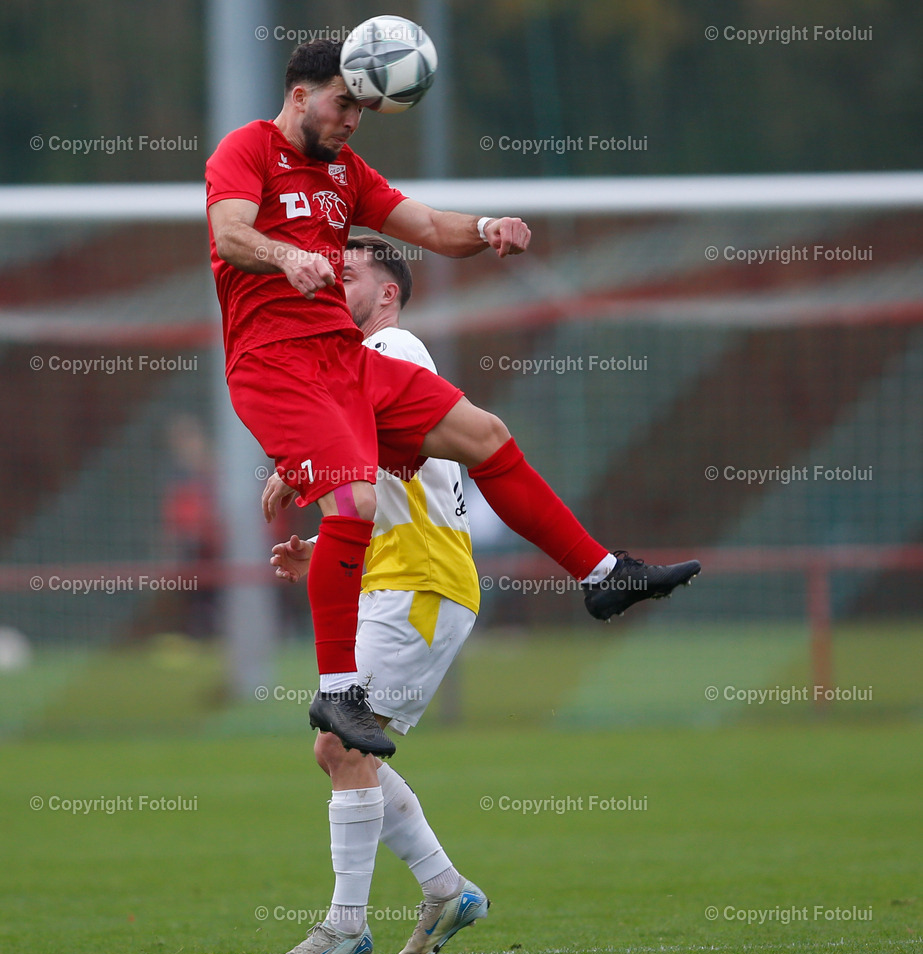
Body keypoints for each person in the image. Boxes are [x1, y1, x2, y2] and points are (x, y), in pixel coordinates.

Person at [205, 33, 698, 875]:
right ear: (300, 93)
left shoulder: (347, 175)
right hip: (277, 367)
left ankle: (600, 575)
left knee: (485, 437)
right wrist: (288, 254)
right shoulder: (248, 147)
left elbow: (426, 225)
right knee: (355, 504)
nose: (354, 120)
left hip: (345, 362)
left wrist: (486, 228)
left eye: (365, 107)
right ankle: (339, 694)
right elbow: (228, 230)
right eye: (343, 103)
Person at [263, 236, 486, 954]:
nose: (332, 282)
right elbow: (368, 492)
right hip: (397, 575)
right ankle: (443, 889)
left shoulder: (395, 344)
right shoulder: (359, 366)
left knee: (345, 745)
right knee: (336, 746)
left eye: (347, 274)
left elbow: (369, 440)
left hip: (421, 581)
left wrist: (295, 467)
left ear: (386, 293)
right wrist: (324, 551)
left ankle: (347, 925)